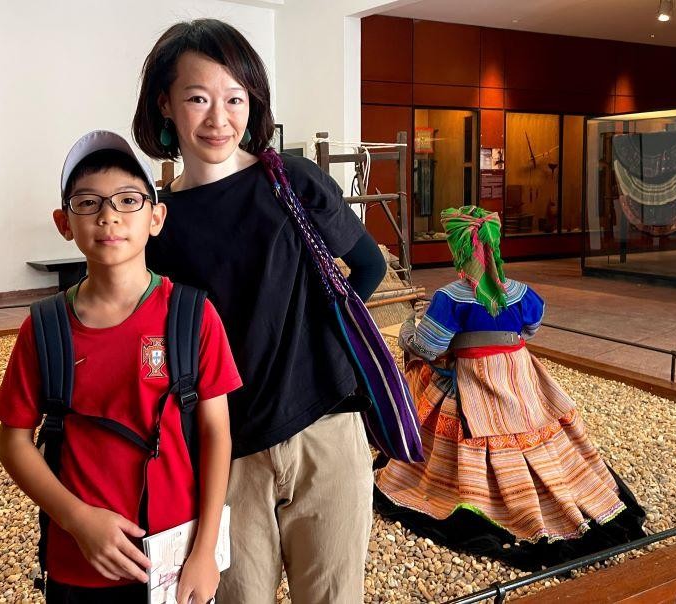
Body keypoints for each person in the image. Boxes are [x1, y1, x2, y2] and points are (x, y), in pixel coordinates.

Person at [133, 18, 387, 604]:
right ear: (165, 104)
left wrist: (316, 342)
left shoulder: (290, 182)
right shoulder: (160, 224)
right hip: (227, 454)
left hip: (325, 433)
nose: (218, 119)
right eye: (198, 98)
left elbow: (368, 267)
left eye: (234, 98)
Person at [0, 130, 242, 604]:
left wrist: (206, 549)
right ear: (64, 223)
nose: (108, 216)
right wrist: (77, 520)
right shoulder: (46, 329)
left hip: (175, 561)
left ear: (156, 217)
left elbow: (216, 433)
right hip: (78, 562)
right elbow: (14, 442)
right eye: (88, 203)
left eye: (128, 200)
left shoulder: (191, 317)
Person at [374, 206, 647, 571]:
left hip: (472, 382)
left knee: (421, 375)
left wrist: (408, 329)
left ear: (459, 250)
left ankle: (437, 465)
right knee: (536, 423)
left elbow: (428, 346)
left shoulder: (450, 297)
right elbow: (531, 329)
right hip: (518, 378)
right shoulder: (521, 293)